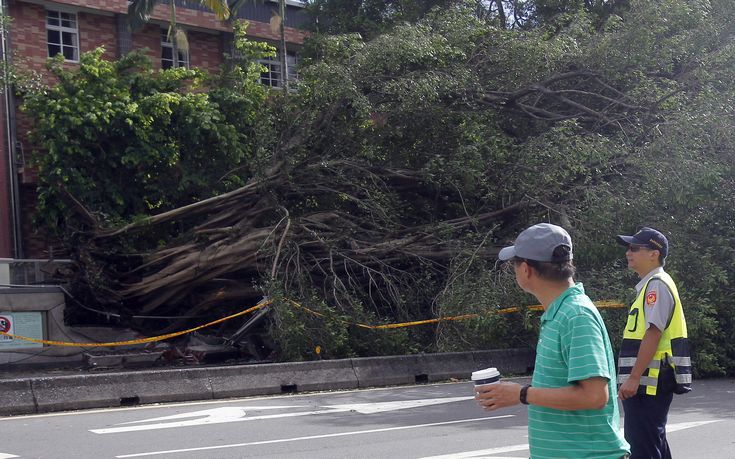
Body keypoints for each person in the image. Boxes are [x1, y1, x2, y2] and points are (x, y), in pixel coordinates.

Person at [476, 223, 629, 459]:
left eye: (515, 264)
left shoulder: (576, 315)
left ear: (526, 269)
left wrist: (521, 394)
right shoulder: (560, 313)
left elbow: (595, 396)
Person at [615, 227, 692, 459]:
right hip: (649, 382)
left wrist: (634, 377)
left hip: (649, 383)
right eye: (629, 248)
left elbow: (653, 333)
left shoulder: (656, 285)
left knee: (642, 448)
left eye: (635, 248)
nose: (629, 253)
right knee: (653, 443)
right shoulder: (652, 285)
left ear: (654, 254)